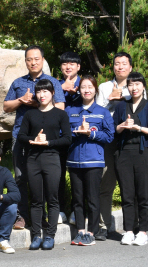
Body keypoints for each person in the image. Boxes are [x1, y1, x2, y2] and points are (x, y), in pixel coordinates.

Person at [3, 45, 65, 229]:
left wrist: (37, 102)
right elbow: (6, 106)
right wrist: (20, 101)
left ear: (43, 60)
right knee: (21, 177)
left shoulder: (52, 82)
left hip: (45, 138)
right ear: (25, 61)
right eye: (29, 59)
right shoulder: (18, 83)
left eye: (37, 59)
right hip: (21, 136)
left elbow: (60, 107)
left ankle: (42, 216)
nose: (33, 62)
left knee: (44, 178)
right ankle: (21, 216)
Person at [17, 79, 71, 250]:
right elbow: (21, 136)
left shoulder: (60, 114)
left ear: (53, 93)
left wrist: (48, 143)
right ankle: (36, 235)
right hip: (33, 159)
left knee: (52, 199)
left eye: (45, 91)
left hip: (52, 158)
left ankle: (50, 235)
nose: (42, 95)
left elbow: (67, 139)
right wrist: (34, 140)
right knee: (36, 200)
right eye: (39, 92)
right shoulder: (30, 114)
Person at [113, 72, 148, 246]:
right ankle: (128, 231)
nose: (134, 88)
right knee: (127, 194)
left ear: (143, 86)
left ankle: (142, 231)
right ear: (127, 87)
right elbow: (113, 131)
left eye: (137, 84)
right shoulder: (121, 106)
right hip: (124, 153)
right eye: (131, 84)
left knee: (143, 193)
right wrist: (122, 126)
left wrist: (139, 128)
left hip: (144, 153)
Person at [65, 76, 114, 246]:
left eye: (90, 87)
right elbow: (62, 134)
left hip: (94, 162)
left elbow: (109, 136)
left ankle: (91, 233)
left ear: (95, 90)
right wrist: (76, 131)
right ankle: (80, 231)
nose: (86, 90)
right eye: (83, 87)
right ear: (78, 90)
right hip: (74, 161)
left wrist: (91, 134)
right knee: (77, 199)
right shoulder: (70, 111)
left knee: (92, 198)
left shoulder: (103, 112)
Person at [95, 52, 138, 241]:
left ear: (130, 67)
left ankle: (134, 227)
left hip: (130, 142)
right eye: (116, 64)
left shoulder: (136, 87)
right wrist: (110, 100)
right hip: (109, 141)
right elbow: (95, 112)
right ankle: (105, 226)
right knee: (106, 184)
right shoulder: (104, 87)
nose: (120, 67)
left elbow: (142, 110)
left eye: (124, 64)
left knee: (131, 186)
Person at [58, 52, 82, 224]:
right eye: (65, 63)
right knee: (57, 174)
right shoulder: (55, 84)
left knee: (77, 175)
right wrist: (61, 89)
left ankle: (77, 210)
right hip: (58, 135)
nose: (68, 66)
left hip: (79, 136)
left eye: (72, 64)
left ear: (78, 67)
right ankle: (59, 210)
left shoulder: (86, 84)